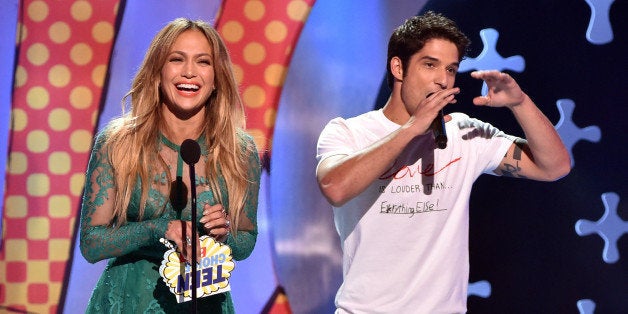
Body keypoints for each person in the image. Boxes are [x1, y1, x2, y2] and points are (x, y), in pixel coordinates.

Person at [315, 11, 570, 313]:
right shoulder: (349, 131)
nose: (442, 80)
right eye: (429, 65)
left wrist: (520, 103)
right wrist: (412, 129)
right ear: (398, 67)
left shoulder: (465, 132)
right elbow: (335, 186)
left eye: (451, 69)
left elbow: (555, 167)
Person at [79, 18, 261, 313]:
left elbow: (246, 242)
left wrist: (225, 232)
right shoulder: (118, 143)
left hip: (204, 303)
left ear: (216, 79)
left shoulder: (238, 151)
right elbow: (91, 244)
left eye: (203, 62)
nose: (189, 72)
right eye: (177, 59)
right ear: (157, 72)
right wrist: (158, 229)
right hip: (128, 301)